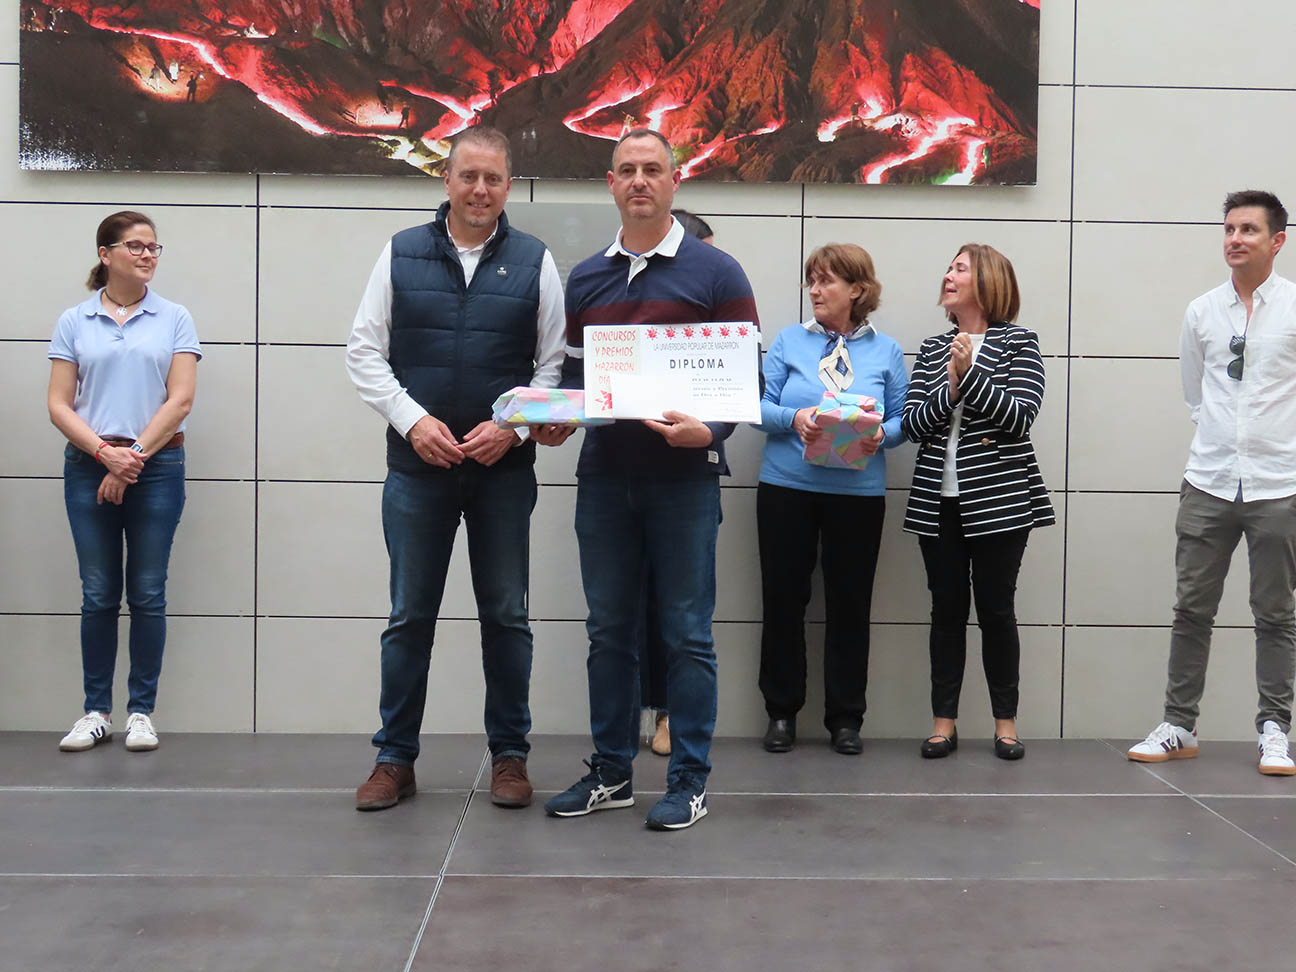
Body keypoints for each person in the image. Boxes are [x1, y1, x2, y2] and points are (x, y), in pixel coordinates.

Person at [539, 129, 759, 830]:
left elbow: (745, 379)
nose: (640, 180)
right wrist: (555, 419)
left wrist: (711, 432)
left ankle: (689, 781)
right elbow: (575, 378)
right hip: (605, 477)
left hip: (684, 481)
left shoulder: (718, 273)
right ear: (611, 183)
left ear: (674, 180)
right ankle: (611, 772)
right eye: (628, 170)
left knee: (688, 634)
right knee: (609, 632)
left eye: (652, 169)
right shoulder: (586, 278)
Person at [345, 126, 566, 811]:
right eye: (468, 176)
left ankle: (510, 757)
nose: (479, 190)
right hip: (418, 471)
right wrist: (413, 421)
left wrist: (513, 427)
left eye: (492, 179)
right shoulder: (401, 252)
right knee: (409, 616)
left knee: (507, 616)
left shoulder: (534, 260)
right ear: (446, 180)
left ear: (509, 186)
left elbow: (552, 363)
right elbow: (363, 351)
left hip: (503, 472)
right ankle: (394, 759)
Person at [1127, 190, 1296, 777]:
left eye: (1248, 229)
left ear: (1277, 240)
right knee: (1191, 609)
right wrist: (1224, 440)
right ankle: (1179, 725)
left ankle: (1275, 730)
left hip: (1279, 483)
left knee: (1275, 613)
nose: (1235, 239)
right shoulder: (1202, 311)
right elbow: (1195, 393)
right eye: (1229, 229)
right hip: (1209, 480)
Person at [48, 211, 200, 754]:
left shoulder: (174, 317)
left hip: (155, 466)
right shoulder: (75, 320)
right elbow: (58, 404)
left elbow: (180, 400)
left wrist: (130, 458)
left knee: (148, 592)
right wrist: (105, 456)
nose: (147, 255)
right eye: (135, 246)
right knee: (97, 593)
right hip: (89, 464)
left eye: (154, 247)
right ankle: (96, 712)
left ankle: (141, 713)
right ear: (105, 254)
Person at [901, 243, 1053, 761]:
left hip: (1001, 501)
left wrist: (971, 377)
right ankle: (943, 723)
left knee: (996, 610)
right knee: (945, 611)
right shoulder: (931, 349)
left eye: (959, 269)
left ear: (987, 280)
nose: (948, 275)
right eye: (948, 268)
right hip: (937, 499)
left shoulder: (1019, 343)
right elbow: (914, 424)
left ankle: (1005, 725)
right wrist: (950, 386)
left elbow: (1020, 417)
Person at [755, 243, 908, 755]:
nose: (815, 291)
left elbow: (903, 419)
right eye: (812, 281)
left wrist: (880, 434)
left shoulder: (886, 351)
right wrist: (793, 418)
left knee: (850, 604)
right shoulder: (789, 341)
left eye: (826, 281)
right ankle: (781, 713)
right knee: (782, 599)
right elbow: (758, 406)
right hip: (787, 488)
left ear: (857, 289)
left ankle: (845, 718)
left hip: (857, 495)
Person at [637, 208, 718, 759]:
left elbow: (738, 389)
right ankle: (636, 716)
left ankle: (674, 719)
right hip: (625, 472)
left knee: (686, 613)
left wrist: (710, 430)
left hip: (692, 472)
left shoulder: (720, 308)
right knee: (625, 611)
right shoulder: (639, 304)